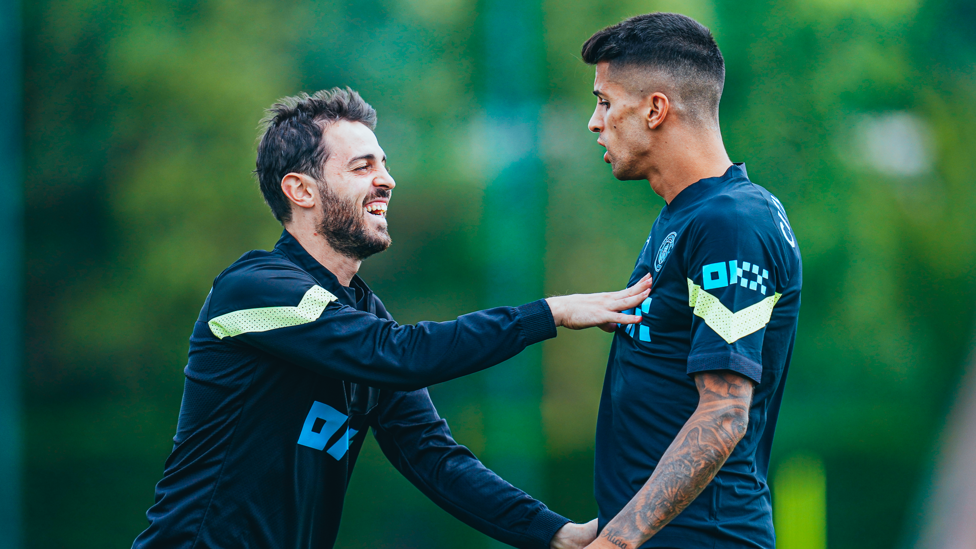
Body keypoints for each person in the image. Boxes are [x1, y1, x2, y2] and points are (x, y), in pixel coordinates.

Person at [132, 87, 652, 549]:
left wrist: (554, 533)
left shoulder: (358, 314)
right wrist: (551, 313)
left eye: (383, 164)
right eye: (362, 167)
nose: (387, 180)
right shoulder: (251, 289)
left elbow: (431, 454)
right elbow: (398, 354)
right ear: (301, 190)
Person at [579, 13, 802, 549]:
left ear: (656, 109)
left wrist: (617, 540)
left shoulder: (731, 223)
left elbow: (724, 414)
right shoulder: (688, 215)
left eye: (606, 102)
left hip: (706, 538)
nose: (594, 121)